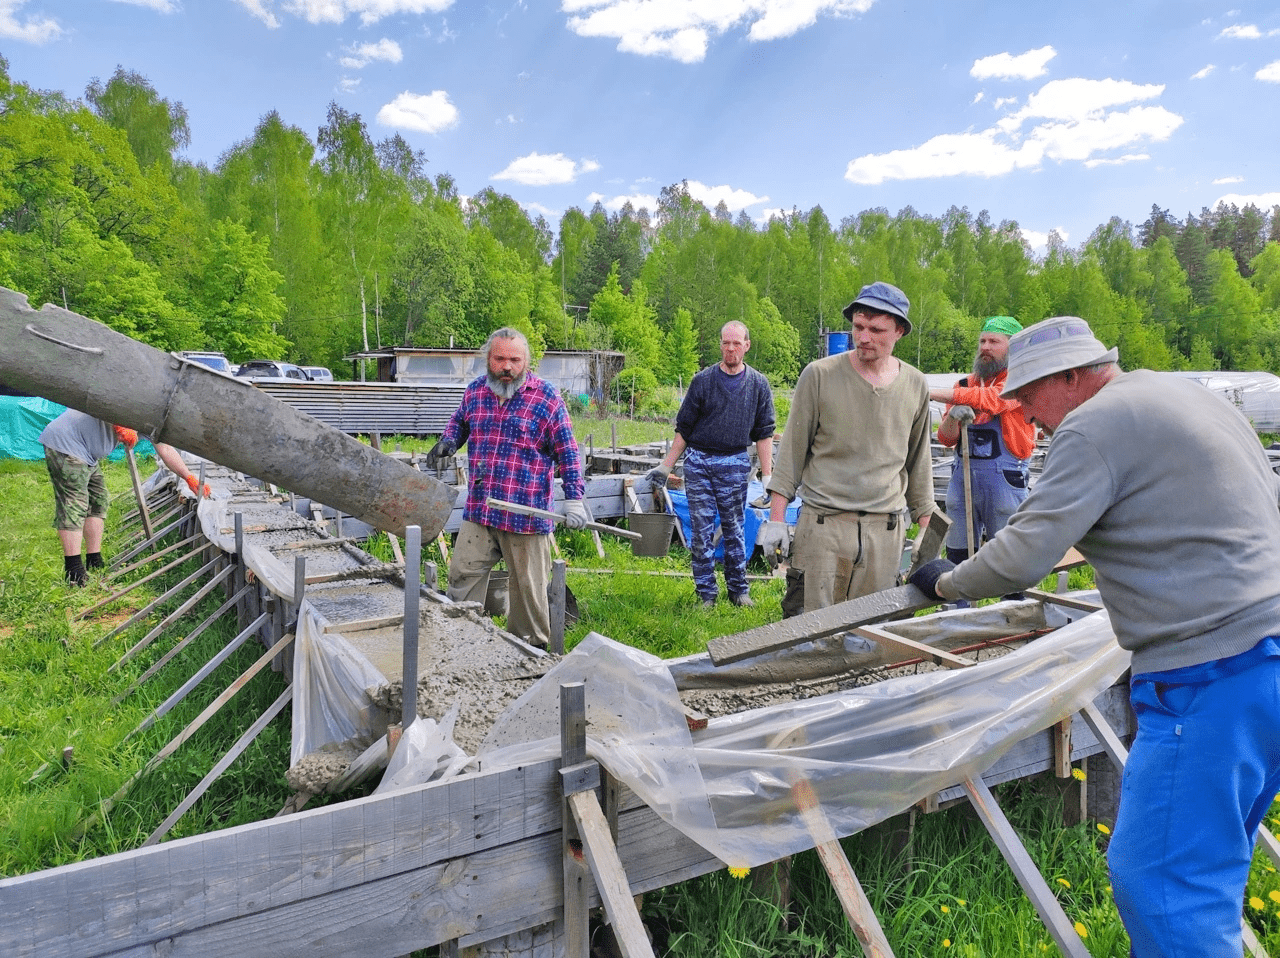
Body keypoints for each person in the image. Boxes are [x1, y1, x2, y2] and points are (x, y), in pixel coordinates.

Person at [909, 315, 1280, 958]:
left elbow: (1022, 556)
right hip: (1266, 656)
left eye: (1028, 395)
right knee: (1211, 863)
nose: (1023, 410)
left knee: (1162, 880)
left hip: (1213, 672)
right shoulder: (1185, 395)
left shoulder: (1094, 423)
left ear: (1075, 377)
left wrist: (945, 581)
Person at [760, 281, 934, 614]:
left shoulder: (914, 385)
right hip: (824, 527)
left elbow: (919, 463)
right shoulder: (820, 376)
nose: (864, 336)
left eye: (876, 329)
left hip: (885, 533)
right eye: (858, 327)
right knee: (810, 631)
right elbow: (791, 454)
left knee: (872, 634)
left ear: (899, 331)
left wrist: (927, 529)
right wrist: (776, 520)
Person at [426, 328, 588, 649]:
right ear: (488, 359)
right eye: (500, 358)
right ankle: (465, 643)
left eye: (514, 359)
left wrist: (574, 500)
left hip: (525, 515)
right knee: (461, 578)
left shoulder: (547, 398)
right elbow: (460, 421)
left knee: (528, 593)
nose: (507, 367)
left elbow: (568, 453)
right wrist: (448, 440)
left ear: (526, 361)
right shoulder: (475, 392)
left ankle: (530, 654)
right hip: (481, 509)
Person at [646, 321, 775, 609]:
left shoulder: (758, 385)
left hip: (735, 463)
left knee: (734, 529)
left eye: (736, 343)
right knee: (702, 531)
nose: (731, 348)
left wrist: (768, 477)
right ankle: (706, 593)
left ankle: (739, 591)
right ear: (720, 345)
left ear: (747, 345)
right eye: (725, 343)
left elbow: (764, 433)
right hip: (700, 463)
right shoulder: (702, 381)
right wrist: (666, 467)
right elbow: (684, 429)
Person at [40, 408, 210, 586]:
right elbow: (107, 397)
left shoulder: (156, 419)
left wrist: (188, 476)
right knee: (74, 503)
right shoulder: (142, 396)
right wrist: (120, 420)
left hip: (87, 454)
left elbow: (165, 449)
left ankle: (94, 561)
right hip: (66, 442)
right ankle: (74, 570)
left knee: (98, 502)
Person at [929, 316, 1036, 565]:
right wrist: (953, 417)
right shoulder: (964, 384)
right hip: (962, 477)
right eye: (982, 341)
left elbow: (992, 399)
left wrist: (930, 392)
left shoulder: (1020, 382)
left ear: (1013, 347)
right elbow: (946, 439)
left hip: (1005, 481)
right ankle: (959, 602)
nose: (985, 347)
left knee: (1009, 554)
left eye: (994, 342)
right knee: (958, 551)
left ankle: (1012, 602)